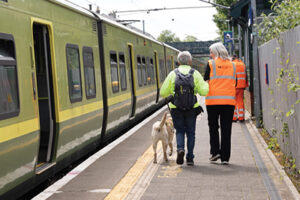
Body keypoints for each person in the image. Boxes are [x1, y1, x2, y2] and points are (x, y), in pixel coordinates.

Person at [160, 51, 209, 166]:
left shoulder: (173, 73)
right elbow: (204, 91)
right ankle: (190, 157)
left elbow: (163, 92)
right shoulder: (195, 73)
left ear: (178, 62)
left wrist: (173, 92)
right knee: (191, 132)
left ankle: (180, 149)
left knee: (180, 131)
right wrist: (202, 86)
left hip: (176, 108)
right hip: (192, 108)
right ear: (190, 61)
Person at [204, 42, 236, 165]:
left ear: (216, 52)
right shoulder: (233, 65)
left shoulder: (210, 64)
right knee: (226, 129)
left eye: (211, 52)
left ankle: (215, 152)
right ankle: (225, 158)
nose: (210, 55)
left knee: (213, 127)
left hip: (212, 101)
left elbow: (206, 80)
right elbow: (236, 83)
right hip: (229, 102)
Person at [232, 55, 248, 122]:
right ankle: (241, 117)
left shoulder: (232, 64)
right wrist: (245, 85)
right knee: (240, 101)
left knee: (234, 101)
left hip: (234, 86)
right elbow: (246, 75)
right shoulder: (243, 64)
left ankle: (234, 118)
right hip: (241, 86)